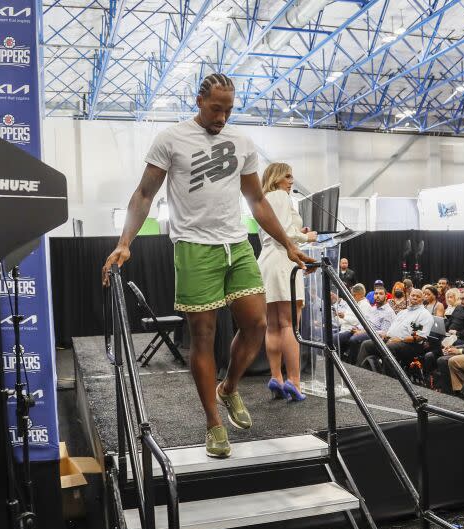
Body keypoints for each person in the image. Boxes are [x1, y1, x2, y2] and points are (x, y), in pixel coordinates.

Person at [102, 73, 312, 458]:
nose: (222, 117)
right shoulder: (171, 139)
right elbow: (145, 193)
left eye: (229, 110)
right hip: (194, 248)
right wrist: (124, 242)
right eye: (217, 108)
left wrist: (287, 245)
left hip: (236, 244)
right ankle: (214, 425)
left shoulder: (242, 142)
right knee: (204, 336)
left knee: (256, 324)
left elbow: (257, 202)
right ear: (199, 101)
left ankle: (229, 387)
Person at [256, 163, 318, 402]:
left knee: (272, 325)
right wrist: (306, 236)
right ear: (277, 177)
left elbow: (277, 229)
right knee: (289, 326)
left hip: (267, 262)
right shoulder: (280, 196)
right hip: (284, 261)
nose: (292, 180)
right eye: (288, 176)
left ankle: (276, 379)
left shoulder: (264, 199)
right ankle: (294, 381)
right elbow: (283, 232)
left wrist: (296, 232)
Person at [354, 289, 435, 373]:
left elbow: (419, 337)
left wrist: (400, 339)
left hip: (410, 345)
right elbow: (392, 328)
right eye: (413, 295)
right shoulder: (403, 312)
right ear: (409, 297)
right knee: (367, 344)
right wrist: (386, 334)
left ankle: (387, 378)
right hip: (392, 340)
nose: (414, 298)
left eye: (418, 296)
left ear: (422, 299)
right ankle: (360, 372)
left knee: (389, 347)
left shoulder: (424, 315)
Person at [337, 286, 395, 364]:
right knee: (339, 337)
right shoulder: (373, 308)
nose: (377, 295)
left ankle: (354, 365)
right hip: (363, 330)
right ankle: (338, 362)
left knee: (354, 339)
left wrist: (365, 331)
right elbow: (364, 321)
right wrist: (357, 328)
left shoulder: (388, 312)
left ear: (386, 296)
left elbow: (384, 332)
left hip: (374, 335)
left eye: (381, 294)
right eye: (376, 293)